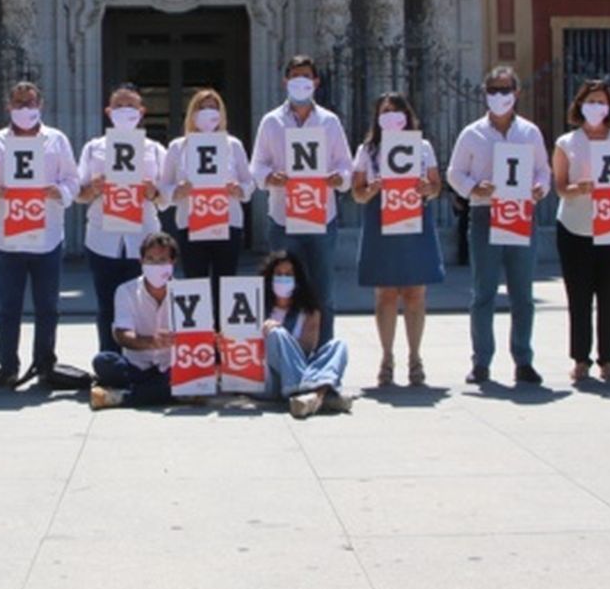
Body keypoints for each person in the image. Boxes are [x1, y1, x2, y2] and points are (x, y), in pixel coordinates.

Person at [446, 66, 550, 386]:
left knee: (522, 294)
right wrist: (474, 189)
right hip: (484, 214)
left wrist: (539, 189)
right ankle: (481, 362)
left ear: (516, 93)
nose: (499, 96)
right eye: (493, 90)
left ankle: (523, 360)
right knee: (484, 292)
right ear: (485, 94)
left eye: (505, 90)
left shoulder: (530, 132)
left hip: (519, 214)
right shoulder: (472, 133)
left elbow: (543, 171)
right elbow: (454, 173)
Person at [0, 80, 80, 389]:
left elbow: (73, 180)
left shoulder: (57, 140)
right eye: (19, 104)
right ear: (9, 106)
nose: (25, 109)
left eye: (31, 103)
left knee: (47, 306)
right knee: (8, 307)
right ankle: (7, 365)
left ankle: (45, 363)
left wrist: (58, 191)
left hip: (46, 234)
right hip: (8, 236)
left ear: (41, 105)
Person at [250, 54, 352, 343]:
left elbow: (346, 165)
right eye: (295, 76)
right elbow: (256, 166)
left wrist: (338, 179)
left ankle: (323, 359)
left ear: (316, 82)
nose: (300, 82)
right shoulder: (271, 122)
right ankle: (285, 354)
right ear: (285, 81)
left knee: (323, 293)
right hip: (283, 219)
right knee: (282, 291)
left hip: (321, 219)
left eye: (306, 76)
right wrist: (270, 178)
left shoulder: (329, 122)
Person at [350, 91, 444, 387]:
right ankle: (387, 357)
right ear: (378, 118)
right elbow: (357, 193)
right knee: (386, 293)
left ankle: (415, 358)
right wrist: (373, 189)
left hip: (414, 218)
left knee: (416, 292)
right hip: (381, 219)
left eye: (397, 111)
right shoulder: (367, 150)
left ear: (407, 115)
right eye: (385, 111)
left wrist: (425, 188)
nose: (391, 116)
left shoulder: (423, 146)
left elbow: (437, 187)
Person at [553, 79, 610, 382]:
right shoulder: (567, 143)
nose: (596, 107)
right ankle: (581, 359)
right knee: (578, 296)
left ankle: (608, 359)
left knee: (609, 296)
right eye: (590, 101)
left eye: (601, 102)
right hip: (575, 227)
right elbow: (560, 187)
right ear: (579, 105)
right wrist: (578, 188)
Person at [75, 82, 170, 353]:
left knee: (145, 304)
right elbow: (78, 193)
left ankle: (144, 361)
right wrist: (93, 188)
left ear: (142, 112)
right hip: (103, 239)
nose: (125, 110)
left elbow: (168, 197)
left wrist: (153, 191)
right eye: (119, 105)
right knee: (107, 304)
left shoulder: (154, 150)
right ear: (108, 111)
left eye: (131, 106)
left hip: (143, 239)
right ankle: (110, 363)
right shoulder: (94, 148)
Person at [161, 88, 254, 296]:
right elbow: (164, 187)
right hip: (191, 221)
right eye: (202, 107)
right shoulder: (178, 147)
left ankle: (222, 328)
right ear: (193, 113)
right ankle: (200, 329)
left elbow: (249, 183)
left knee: (225, 283)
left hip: (228, 221)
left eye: (213, 107)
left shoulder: (233, 145)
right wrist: (179, 191)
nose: (207, 112)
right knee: (195, 283)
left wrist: (239, 189)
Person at [89, 232, 179, 409]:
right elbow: (122, 334)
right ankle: (163, 393)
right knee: (103, 361)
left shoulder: (187, 293)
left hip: (171, 366)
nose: (155, 265)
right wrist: (151, 342)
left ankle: (124, 397)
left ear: (172, 263)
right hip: (136, 366)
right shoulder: (126, 290)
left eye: (162, 260)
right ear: (141, 261)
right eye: (150, 259)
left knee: (202, 372)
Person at [261, 251, 350, 418]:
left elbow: (306, 351)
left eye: (288, 274)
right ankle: (320, 393)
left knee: (338, 345)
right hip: (272, 378)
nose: (283, 279)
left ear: (297, 280)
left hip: (299, 367)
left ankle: (313, 398)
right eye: (278, 274)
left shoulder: (308, 311)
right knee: (276, 334)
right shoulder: (258, 307)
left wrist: (286, 339)